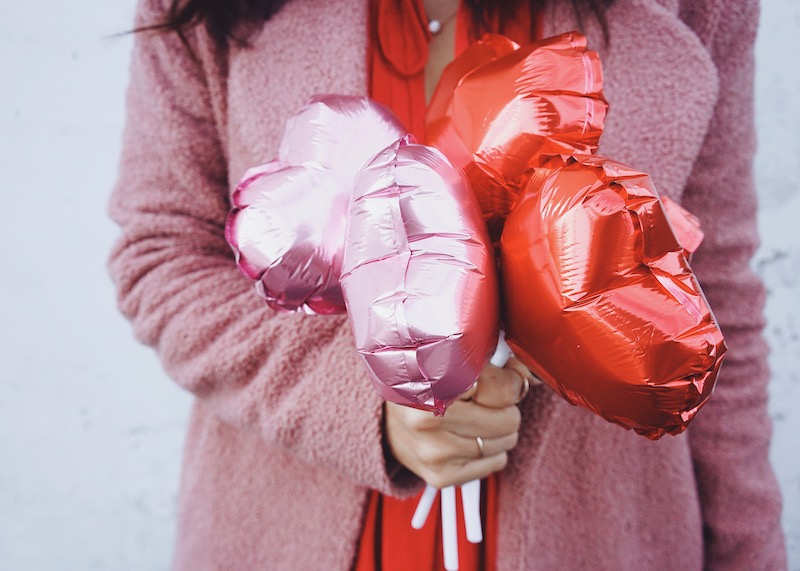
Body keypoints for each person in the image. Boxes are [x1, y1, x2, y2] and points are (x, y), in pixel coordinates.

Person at [108, 0, 787, 568]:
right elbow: (162, 255)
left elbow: (713, 297)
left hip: (597, 533)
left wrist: (751, 552)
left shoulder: (699, 8)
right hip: (287, 524)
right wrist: (361, 400)